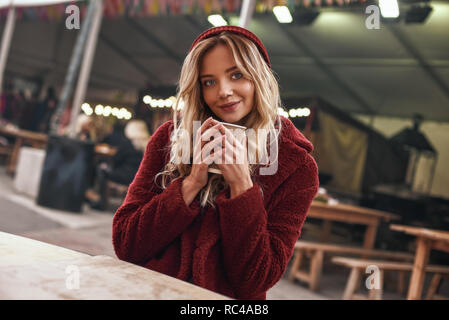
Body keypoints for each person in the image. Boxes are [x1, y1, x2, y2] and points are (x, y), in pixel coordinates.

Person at [112, 26, 319, 300]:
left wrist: (242, 188)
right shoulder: (170, 138)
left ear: (260, 78)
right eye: (208, 81)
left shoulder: (296, 166)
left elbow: (257, 278)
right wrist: (191, 183)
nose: (223, 91)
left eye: (236, 75)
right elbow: (126, 243)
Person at [86, 120, 150, 210]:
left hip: (124, 176)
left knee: (102, 170)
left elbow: (116, 159)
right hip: (138, 177)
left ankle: (101, 202)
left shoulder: (127, 143)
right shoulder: (148, 144)